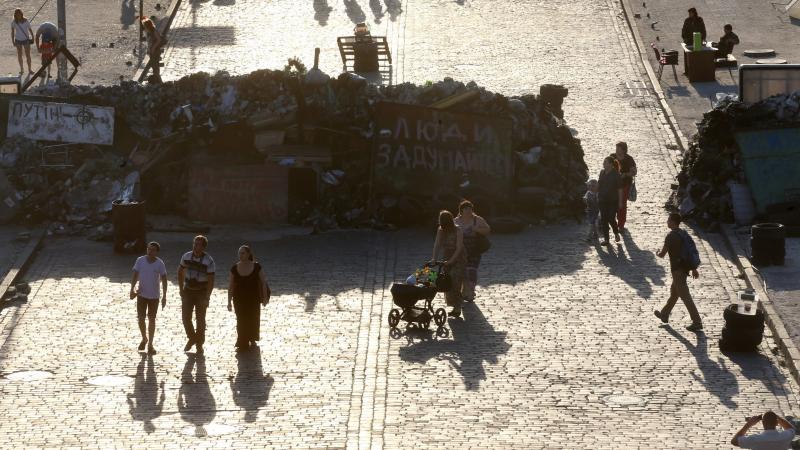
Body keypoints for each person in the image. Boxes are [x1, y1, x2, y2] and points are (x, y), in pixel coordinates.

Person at [654, 213, 703, 332]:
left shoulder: (670, 236)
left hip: (677, 270)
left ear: (673, 222)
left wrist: (657, 252)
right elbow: (689, 252)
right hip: (684, 268)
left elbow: (662, 254)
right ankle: (664, 314)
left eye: (668, 220)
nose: (667, 222)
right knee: (674, 293)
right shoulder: (683, 233)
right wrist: (693, 268)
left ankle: (697, 322)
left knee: (685, 297)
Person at [227, 245, 270, 352]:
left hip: (253, 299)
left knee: (253, 318)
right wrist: (229, 301)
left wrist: (265, 298)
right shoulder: (234, 268)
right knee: (241, 320)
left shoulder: (256, 267)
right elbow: (231, 286)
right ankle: (242, 342)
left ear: (248, 254)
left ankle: (252, 337)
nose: (240, 255)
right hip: (239, 299)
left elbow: (263, 282)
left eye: (243, 253)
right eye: (239, 253)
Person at [178, 235, 215, 354]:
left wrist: (207, 296)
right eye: (194, 243)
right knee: (185, 318)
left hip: (201, 292)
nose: (195, 246)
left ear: (203, 247)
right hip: (188, 290)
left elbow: (211, 281)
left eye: (198, 244)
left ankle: (199, 344)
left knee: (200, 320)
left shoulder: (208, 261)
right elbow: (180, 271)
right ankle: (192, 338)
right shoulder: (186, 256)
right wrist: (181, 289)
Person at [130, 242, 168, 354]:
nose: (150, 251)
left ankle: (150, 344)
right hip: (141, 294)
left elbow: (164, 279)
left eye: (153, 250)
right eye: (149, 249)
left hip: (154, 296)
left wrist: (164, 295)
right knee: (141, 318)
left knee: (151, 319)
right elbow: (135, 275)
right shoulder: (140, 260)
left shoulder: (160, 264)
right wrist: (132, 288)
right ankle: (144, 338)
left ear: (156, 252)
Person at [432, 210, 467, 318]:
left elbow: (459, 247)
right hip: (447, 256)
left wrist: (452, 260)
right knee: (447, 281)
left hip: (459, 258)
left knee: (456, 281)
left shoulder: (458, 230)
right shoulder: (441, 230)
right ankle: (453, 304)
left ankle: (457, 307)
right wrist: (434, 258)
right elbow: (437, 244)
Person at [454, 200, 490, 302]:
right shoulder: (456, 221)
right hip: (461, 251)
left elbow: (488, 230)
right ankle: (464, 292)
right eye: (466, 209)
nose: (468, 211)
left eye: (470, 209)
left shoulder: (477, 220)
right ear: (461, 210)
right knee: (463, 272)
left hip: (474, 250)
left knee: (471, 271)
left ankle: (470, 293)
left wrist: (477, 229)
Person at [611, 141, 637, 231]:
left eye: (619, 148)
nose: (617, 150)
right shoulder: (612, 157)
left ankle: (621, 224)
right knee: (613, 203)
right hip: (613, 185)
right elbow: (607, 166)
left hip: (625, 185)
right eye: (616, 148)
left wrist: (625, 174)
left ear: (623, 150)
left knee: (622, 204)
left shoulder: (629, 159)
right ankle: (612, 221)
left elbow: (634, 172)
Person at [597, 156, 623, 246]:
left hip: (613, 200)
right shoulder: (602, 172)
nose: (603, 164)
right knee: (604, 219)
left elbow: (620, 189)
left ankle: (616, 233)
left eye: (605, 162)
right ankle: (606, 240)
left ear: (611, 164)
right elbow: (599, 184)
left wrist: (620, 202)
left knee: (611, 218)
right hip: (602, 199)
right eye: (603, 162)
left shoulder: (616, 174)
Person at [10, 9, 34, 75]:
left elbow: (30, 29)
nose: (18, 15)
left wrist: (32, 37)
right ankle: (22, 69)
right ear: (15, 15)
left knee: (28, 55)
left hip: (26, 39)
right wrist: (13, 41)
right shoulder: (14, 22)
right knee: (19, 55)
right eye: (17, 14)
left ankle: (30, 69)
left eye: (19, 13)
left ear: (21, 14)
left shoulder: (26, 21)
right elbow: (12, 32)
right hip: (18, 40)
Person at [141, 18, 163, 83]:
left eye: (144, 26)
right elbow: (149, 42)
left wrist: (153, 48)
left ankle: (160, 82)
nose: (144, 27)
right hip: (152, 51)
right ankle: (158, 82)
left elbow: (159, 40)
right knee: (154, 66)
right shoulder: (148, 32)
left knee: (155, 67)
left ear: (148, 26)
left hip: (155, 51)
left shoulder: (154, 31)